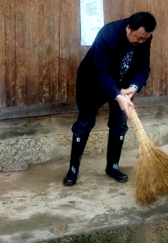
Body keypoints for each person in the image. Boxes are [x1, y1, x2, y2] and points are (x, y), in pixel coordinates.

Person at [63, 12, 156, 187]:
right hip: (93, 81)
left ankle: (112, 166)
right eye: (138, 38)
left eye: (145, 39)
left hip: (123, 83)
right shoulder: (107, 34)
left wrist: (134, 86)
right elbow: (101, 72)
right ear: (128, 28)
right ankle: (73, 169)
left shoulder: (145, 38)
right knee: (84, 123)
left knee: (119, 125)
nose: (141, 42)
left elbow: (144, 67)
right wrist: (117, 96)